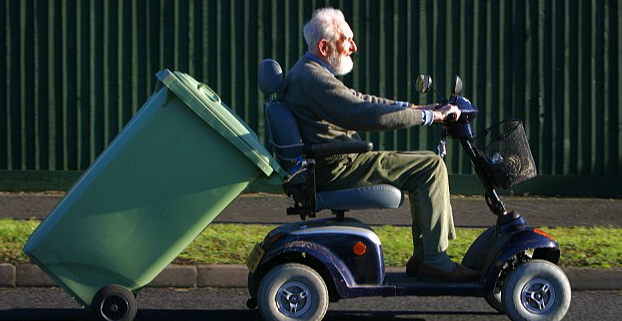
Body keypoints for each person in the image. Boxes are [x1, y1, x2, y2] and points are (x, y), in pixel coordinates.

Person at [281, 8, 479, 282]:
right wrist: (429, 117)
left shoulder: (309, 72)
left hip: (333, 162)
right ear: (324, 47)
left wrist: (421, 107)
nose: (354, 46)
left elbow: (361, 100)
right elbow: (363, 113)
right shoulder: (312, 78)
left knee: (425, 164)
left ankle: (425, 258)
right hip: (336, 166)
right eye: (346, 40)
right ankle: (435, 260)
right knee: (430, 166)